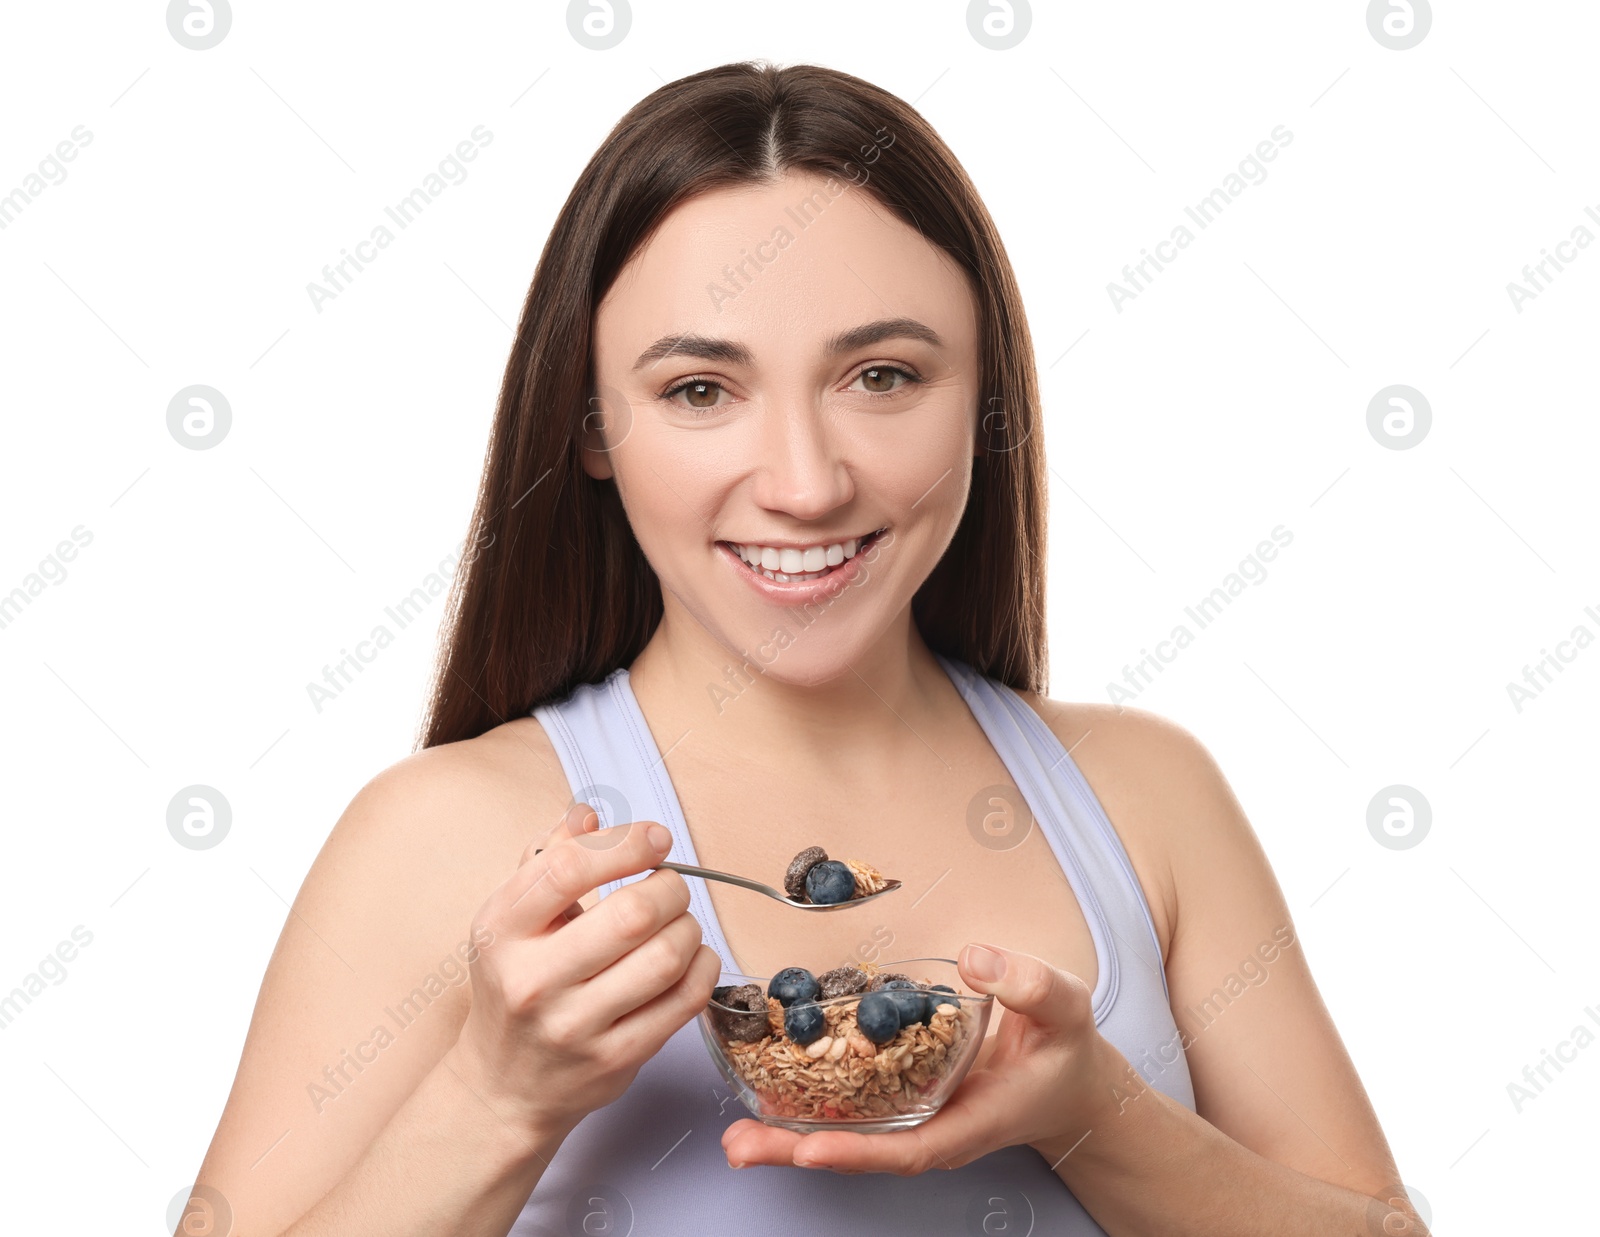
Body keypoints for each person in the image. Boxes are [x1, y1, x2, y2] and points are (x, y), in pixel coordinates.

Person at [184, 60, 1427, 1237]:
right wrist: (492, 1099)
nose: (803, 482)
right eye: (699, 391)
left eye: (882, 376)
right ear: (591, 427)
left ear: (986, 403)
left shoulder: (1148, 797)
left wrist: (1091, 1113)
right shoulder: (439, 834)